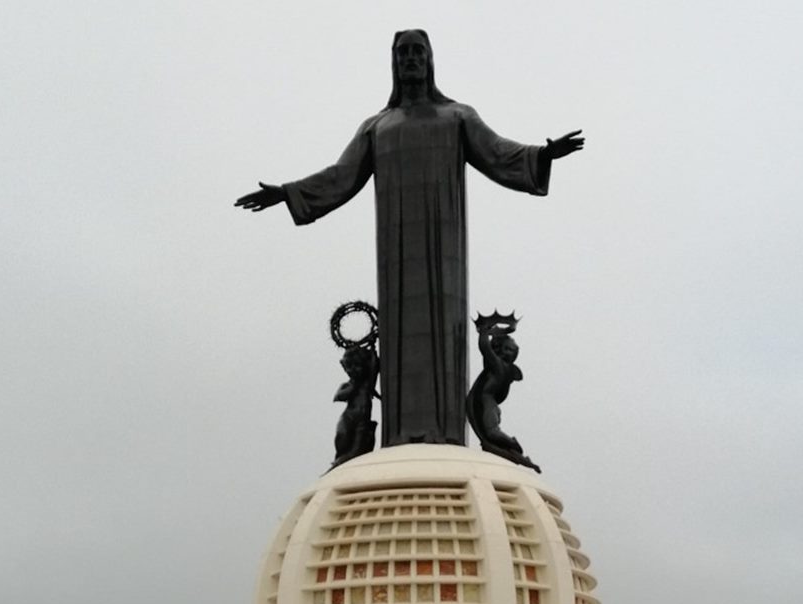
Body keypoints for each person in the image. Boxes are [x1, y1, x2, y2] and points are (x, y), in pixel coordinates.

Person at [236, 29, 582, 447]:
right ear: (393, 63)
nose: (411, 59)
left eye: (418, 51)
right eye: (403, 53)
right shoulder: (377, 127)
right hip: (395, 249)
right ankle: (399, 441)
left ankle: (445, 439)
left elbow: (498, 152)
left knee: (443, 330)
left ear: (430, 60)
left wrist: (541, 155)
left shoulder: (458, 117)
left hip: (445, 247)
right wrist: (287, 192)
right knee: (402, 336)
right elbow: (341, 176)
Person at [467, 316, 540, 473]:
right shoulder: (496, 364)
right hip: (484, 401)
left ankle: (512, 444)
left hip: (489, 404)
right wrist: (484, 333)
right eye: (506, 349)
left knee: (492, 433)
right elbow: (485, 349)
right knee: (491, 434)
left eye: (512, 351)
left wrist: (485, 332)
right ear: (498, 348)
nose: (508, 353)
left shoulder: (502, 367)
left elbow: (487, 350)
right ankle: (511, 445)